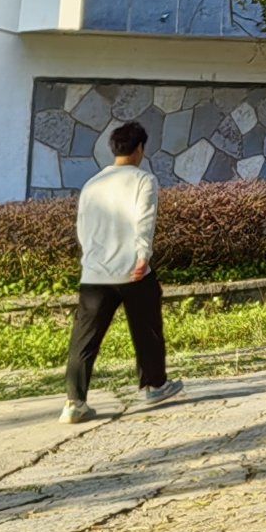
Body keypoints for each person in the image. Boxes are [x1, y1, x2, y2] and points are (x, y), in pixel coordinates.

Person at [61, 120, 183, 423]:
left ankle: (74, 403)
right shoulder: (143, 180)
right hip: (133, 270)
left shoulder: (93, 184)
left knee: (85, 339)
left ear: (113, 148)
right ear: (140, 148)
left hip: (95, 274)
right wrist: (143, 254)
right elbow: (145, 219)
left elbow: (83, 228)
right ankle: (154, 385)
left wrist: (91, 259)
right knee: (148, 330)